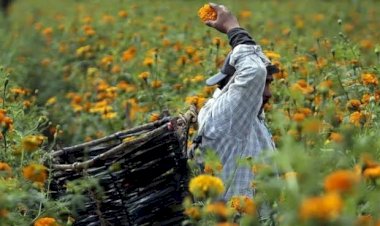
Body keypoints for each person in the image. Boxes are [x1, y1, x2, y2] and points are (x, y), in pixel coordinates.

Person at [197, 3, 278, 201]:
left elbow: (255, 71)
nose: (267, 93)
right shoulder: (225, 117)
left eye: (268, 84)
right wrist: (233, 27)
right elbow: (253, 72)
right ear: (234, 89)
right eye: (262, 85)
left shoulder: (247, 118)